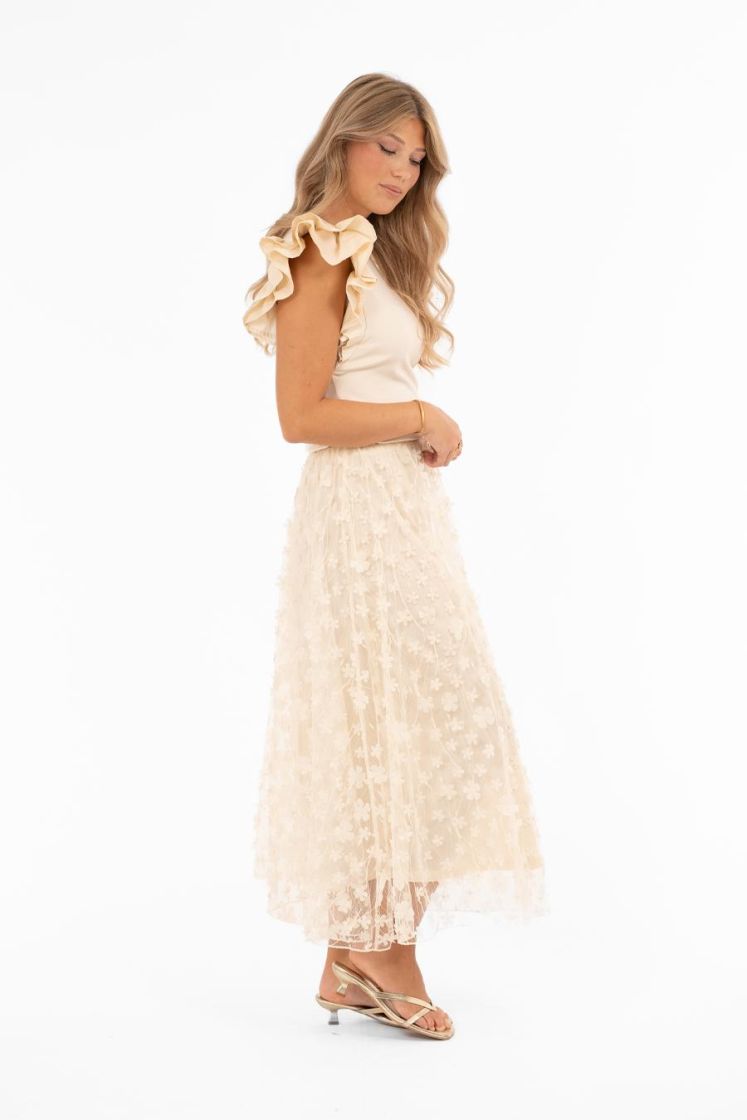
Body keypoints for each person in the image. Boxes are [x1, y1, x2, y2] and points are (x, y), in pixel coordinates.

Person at [242, 73, 547, 1041]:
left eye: (417, 160)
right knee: (397, 717)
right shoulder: (316, 250)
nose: (404, 171)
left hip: (402, 508)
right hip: (356, 514)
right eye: (389, 148)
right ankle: (382, 948)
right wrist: (419, 412)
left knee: (425, 718)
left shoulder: (373, 252)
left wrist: (414, 425)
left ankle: (354, 951)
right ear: (344, 139)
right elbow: (301, 416)